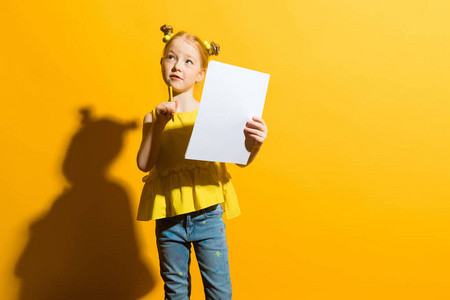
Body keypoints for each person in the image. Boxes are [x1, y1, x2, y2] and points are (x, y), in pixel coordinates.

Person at [136, 24, 268, 300]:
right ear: (162, 63)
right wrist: (159, 124)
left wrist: (254, 144)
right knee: (175, 292)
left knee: (219, 293)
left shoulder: (213, 114)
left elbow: (240, 159)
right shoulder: (153, 117)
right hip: (169, 220)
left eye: (188, 61)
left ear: (201, 74)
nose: (177, 66)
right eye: (171, 57)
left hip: (208, 216)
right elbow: (144, 164)